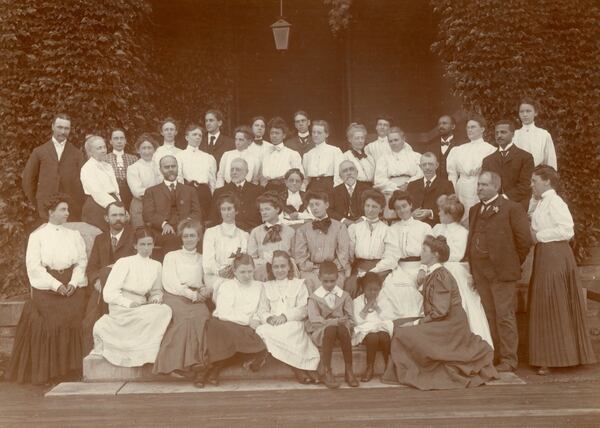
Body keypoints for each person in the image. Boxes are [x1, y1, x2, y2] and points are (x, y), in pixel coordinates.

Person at [382, 235, 498, 390]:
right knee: (398, 324)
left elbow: (440, 311)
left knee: (403, 333)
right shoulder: (434, 273)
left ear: (435, 254)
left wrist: (416, 322)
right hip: (442, 320)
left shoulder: (441, 275)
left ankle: (416, 372)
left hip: (450, 325)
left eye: (424, 250)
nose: (420, 253)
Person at [7, 194, 88, 384]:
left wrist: (73, 283)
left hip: (71, 285)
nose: (67, 213)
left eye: (67, 209)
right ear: (51, 213)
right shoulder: (37, 236)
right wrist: (57, 285)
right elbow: (34, 267)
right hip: (48, 287)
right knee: (53, 322)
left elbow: (81, 262)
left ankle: (72, 370)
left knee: (75, 317)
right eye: (62, 209)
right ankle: (53, 373)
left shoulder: (74, 235)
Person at [528, 166, 596, 374]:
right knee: (545, 302)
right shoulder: (541, 202)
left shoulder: (555, 202)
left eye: (534, 181)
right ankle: (549, 356)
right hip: (545, 255)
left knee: (553, 301)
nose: (532, 185)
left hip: (555, 255)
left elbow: (567, 230)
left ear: (547, 181)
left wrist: (538, 236)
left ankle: (557, 358)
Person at [466, 171, 532, 372]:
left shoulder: (512, 208)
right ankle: (493, 356)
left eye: (484, 185)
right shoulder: (475, 209)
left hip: (502, 272)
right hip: (480, 272)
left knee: (504, 315)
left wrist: (510, 263)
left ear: (496, 187)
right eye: (478, 184)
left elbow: (524, 242)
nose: (480, 188)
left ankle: (509, 359)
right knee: (488, 314)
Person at [92, 228, 172, 367]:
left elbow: (156, 290)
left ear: (153, 245)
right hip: (122, 305)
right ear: (135, 245)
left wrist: (155, 299)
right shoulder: (124, 262)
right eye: (142, 244)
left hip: (142, 305)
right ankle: (131, 351)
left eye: (149, 244)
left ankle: (147, 353)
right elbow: (109, 293)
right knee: (147, 315)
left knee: (164, 310)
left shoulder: (157, 265)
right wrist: (129, 303)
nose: (146, 248)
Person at [154, 220, 212, 385]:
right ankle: (172, 365)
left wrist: (202, 291)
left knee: (202, 317)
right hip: (175, 295)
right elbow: (171, 283)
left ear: (199, 237)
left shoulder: (203, 258)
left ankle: (198, 365)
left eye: (192, 235)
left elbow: (204, 281)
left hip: (196, 296)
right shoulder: (171, 256)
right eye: (185, 235)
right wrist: (192, 295)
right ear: (181, 237)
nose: (188, 239)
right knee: (184, 319)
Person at [431, 195, 493, 347]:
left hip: (455, 268)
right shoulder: (437, 228)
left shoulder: (462, 232)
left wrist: (440, 256)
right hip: (437, 267)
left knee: (464, 302)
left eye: (441, 211)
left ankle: (468, 345)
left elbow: (457, 254)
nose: (438, 213)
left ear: (449, 215)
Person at [201, 254, 267, 386]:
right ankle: (209, 370)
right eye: (242, 272)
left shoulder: (260, 286)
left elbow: (261, 308)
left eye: (250, 271)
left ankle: (216, 369)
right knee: (220, 330)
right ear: (235, 271)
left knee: (257, 345)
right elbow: (225, 313)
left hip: (246, 326)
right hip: (227, 323)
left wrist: (255, 320)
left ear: (254, 270)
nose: (247, 275)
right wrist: (247, 320)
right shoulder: (227, 286)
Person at [256, 251, 320, 383]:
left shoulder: (299, 284)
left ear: (289, 267)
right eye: (276, 267)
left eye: (283, 266)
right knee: (263, 331)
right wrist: (269, 318)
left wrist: (285, 316)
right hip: (273, 325)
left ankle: (305, 368)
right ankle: (300, 369)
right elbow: (262, 309)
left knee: (291, 330)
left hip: (292, 323)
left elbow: (303, 309)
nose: (279, 270)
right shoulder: (266, 286)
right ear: (271, 268)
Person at [82, 202, 136, 356]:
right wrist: (96, 282)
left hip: (125, 290)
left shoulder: (134, 237)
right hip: (101, 289)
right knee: (89, 322)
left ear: (126, 216)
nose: (118, 219)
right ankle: (90, 360)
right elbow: (92, 267)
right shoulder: (100, 239)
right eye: (114, 215)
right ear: (106, 218)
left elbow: (138, 265)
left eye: (121, 214)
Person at [372, 191, 431, 319]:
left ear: (410, 205)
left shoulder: (424, 227)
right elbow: (391, 256)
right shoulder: (393, 229)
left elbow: (429, 252)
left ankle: (416, 322)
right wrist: (374, 270)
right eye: (398, 208)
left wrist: (423, 269)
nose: (402, 210)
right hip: (400, 269)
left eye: (404, 206)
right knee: (390, 288)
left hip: (420, 268)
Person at [22, 113, 85, 221]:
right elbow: (28, 180)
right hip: (46, 209)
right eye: (59, 127)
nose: (63, 132)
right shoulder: (39, 152)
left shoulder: (77, 153)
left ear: (70, 130)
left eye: (66, 128)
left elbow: (84, 181)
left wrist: (77, 201)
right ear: (52, 127)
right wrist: (38, 201)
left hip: (71, 210)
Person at [306, 262, 358, 389]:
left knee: (341, 329)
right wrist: (334, 322)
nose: (329, 285)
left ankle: (349, 370)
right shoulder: (314, 298)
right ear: (319, 278)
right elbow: (314, 319)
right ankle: (327, 370)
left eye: (332, 281)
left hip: (342, 334)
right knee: (331, 329)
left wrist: (342, 323)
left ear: (338, 278)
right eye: (325, 281)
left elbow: (351, 318)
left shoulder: (344, 296)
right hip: (323, 333)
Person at [143, 155, 202, 257]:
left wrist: (186, 224)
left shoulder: (190, 190)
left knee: (193, 236)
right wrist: (164, 224)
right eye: (166, 167)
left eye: (173, 166)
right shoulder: (151, 191)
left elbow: (197, 212)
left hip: (186, 229)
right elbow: (148, 214)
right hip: (162, 232)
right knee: (171, 239)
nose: (170, 169)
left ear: (177, 168)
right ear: (160, 170)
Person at [294, 192, 351, 291]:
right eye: (311, 205)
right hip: (311, 271)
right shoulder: (303, 230)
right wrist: (312, 267)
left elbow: (343, 253)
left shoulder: (340, 227)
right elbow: (300, 255)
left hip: (334, 269)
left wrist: (332, 267)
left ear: (326, 205)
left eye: (317, 204)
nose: (314, 208)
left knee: (334, 285)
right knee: (308, 285)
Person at [446, 115, 496, 223]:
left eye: (473, 127)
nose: (469, 130)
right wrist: (453, 192)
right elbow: (452, 174)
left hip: (478, 186)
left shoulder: (491, 150)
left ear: (482, 129)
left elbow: (493, 173)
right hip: (461, 187)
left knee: (477, 217)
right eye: (468, 127)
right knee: (461, 217)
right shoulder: (458, 150)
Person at [203, 194, 250, 299]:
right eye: (223, 209)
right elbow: (207, 261)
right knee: (227, 289)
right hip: (214, 276)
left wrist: (234, 271)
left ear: (236, 211)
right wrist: (219, 271)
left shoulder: (244, 235)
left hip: (236, 275)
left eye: (229, 209)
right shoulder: (211, 232)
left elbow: (243, 258)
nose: (226, 212)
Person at [345, 189, 390, 298]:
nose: (370, 210)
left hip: (380, 269)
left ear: (381, 209)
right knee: (351, 285)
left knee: (376, 286)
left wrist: (373, 271)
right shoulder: (354, 228)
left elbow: (389, 257)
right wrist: (349, 273)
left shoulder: (387, 230)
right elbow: (349, 256)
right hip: (359, 267)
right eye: (367, 206)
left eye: (374, 207)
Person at [482, 119, 535, 209]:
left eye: (503, 132)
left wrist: (503, 198)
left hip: (518, 205)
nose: (499, 136)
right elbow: (484, 185)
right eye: (497, 133)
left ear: (513, 134)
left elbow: (525, 185)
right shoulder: (488, 160)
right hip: (493, 207)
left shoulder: (525, 157)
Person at [373, 127, 422, 220]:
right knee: (393, 218)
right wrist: (396, 188)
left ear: (403, 139)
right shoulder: (383, 159)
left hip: (412, 188)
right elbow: (379, 180)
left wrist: (409, 183)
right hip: (391, 190)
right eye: (390, 141)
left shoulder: (415, 156)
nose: (393, 143)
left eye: (396, 140)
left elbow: (420, 174)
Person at [352, 273, 393, 382]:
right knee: (373, 337)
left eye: (376, 290)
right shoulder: (357, 301)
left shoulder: (383, 300)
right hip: (365, 329)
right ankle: (370, 368)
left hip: (380, 327)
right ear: (363, 289)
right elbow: (358, 321)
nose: (373, 292)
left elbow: (388, 317)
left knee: (384, 337)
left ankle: (389, 366)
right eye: (369, 290)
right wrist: (367, 306)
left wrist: (377, 308)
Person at [248, 193, 296, 281]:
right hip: (263, 275)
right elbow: (251, 258)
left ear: (277, 209)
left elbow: (294, 256)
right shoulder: (256, 232)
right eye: (261, 210)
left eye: (267, 209)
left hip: (285, 274)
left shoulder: (290, 232)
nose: (264, 212)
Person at [177, 123, 217, 219]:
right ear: (187, 137)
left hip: (204, 193)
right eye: (194, 134)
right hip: (188, 191)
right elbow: (179, 177)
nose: (197, 137)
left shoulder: (208, 157)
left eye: (200, 135)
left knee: (205, 219)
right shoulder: (179, 155)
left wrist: (213, 197)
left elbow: (212, 181)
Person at [80, 135, 121, 231]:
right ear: (90, 151)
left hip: (113, 202)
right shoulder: (87, 168)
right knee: (103, 234)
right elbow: (97, 192)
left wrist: (120, 204)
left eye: (104, 147)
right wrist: (113, 206)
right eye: (99, 148)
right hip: (97, 205)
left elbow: (115, 189)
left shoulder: (108, 166)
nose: (103, 150)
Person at [211, 158, 262, 232]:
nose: (234, 172)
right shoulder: (219, 192)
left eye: (238, 170)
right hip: (226, 233)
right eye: (232, 169)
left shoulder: (258, 191)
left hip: (252, 232)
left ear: (246, 172)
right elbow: (213, 219)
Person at [407, 152, 454, 227]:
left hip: (437, 226)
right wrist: (411, 215)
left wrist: (430, 213)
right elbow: (405, 207)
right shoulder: (412, 185)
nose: (427, 167)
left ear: (437, 165)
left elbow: (451, 210)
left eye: (430, 164)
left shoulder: (447, 185)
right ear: (420, 167)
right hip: (414, 227)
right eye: (424, 165)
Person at [126, 134, 163, 228]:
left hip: (158, 205)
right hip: (140, 206)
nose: (147, 151)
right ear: (138, 150)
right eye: (143, 148)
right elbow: (137, 191)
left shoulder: (160, 167)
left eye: (149, 148)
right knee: (141, 234)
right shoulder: (133, 168)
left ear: (154, 150)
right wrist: (157, 192)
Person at [261, 117, 304, 194]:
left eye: (277, 133)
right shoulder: (264, 153)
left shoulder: (292, 154)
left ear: (284, 135)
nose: (274, 136)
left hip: (285, 189)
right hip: (267, 189)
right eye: (272, 133)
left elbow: (299, 176)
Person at [302, 120, 345, 196]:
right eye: (313, 132)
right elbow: (306, 178)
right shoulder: (308, 155)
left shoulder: (335, 151)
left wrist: (336, 193)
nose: (315, 135)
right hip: (313, 188)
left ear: (326, 134)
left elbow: (339, 175)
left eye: (319, 133)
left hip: (329, 188)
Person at [513, 98, 557, 170]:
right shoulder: (514, 135)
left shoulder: (544, 135)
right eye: (521, 112)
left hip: (538, 175)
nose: (525, 114)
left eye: (528, 111)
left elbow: (550, 160)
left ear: (535, 113)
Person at [328, 160, 371, 225]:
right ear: (340, 176)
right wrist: (343, 220)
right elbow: (329, 210)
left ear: (357, 172)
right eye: (345, 171)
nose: (349, 173)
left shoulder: (368, 190)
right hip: (341, 226)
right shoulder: (334, 192)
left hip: (364, 225)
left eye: (351, 169)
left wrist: (363, 218)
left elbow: (374, 207)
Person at [106, 128, 138, 209]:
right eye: (116, 138)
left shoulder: (133, 159)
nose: (119, 141)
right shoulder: (105, 159)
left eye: (121, 138)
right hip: (112, 195)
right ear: (110, 141)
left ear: (125, 141)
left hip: (131, 194)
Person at [425, 115, 461, 180]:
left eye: (444, 123)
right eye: (439, 124)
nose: (441, 126)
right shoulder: (430, 147)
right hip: (436, 186)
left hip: (455, 185)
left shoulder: (460, 145)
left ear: (453, 126)